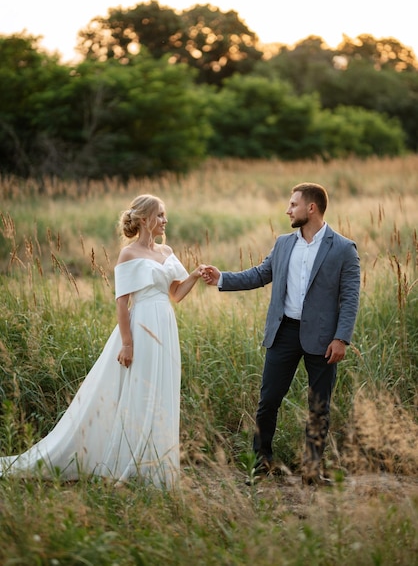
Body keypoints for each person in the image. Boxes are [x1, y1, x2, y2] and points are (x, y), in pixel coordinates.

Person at [0, 194, 206, 489]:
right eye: (160, 215)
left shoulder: (167, 251)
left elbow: (176, 294)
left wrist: (196, 274)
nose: (165, 220)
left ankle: (156, 463)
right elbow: (122, 303)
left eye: (165, 215)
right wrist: (128, 343)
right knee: (139, 390)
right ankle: (129, 463)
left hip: (166, 324)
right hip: (142, 324)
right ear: (145, 219)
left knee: (161, 389)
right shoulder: (129, 255)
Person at [202, 182, 360, 486]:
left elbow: (350, 297)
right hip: (284, 331)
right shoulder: (284, 243)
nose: (288, 210)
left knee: (319, 407)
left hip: (325, 339)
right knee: (269, 400)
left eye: (293, 204)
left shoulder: (343, 248)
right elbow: (260, 274)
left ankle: (311, 473)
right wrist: (221, 277)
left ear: (310, 208)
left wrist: (342, 338)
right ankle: (260, 465)